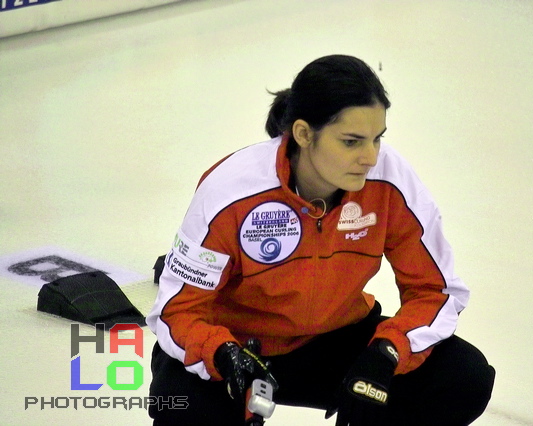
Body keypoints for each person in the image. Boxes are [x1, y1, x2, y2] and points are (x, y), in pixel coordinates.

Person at [146, 54, 495, 426]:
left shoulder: (391, 181)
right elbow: (177, 310)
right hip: (238, 343)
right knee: (181, 404)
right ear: (303, 133)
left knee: (463, 376)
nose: (370, 157)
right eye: (351, 141)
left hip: (332, 342)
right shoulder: (231, 190)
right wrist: (221, 353)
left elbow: (435, 291)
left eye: (377, 139)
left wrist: (388, 351)